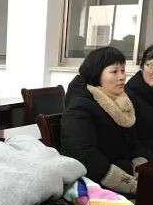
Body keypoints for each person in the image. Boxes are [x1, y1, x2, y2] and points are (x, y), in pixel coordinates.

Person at [61, 46, 147, 195]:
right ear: (97, 74)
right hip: (97, 183)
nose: (122, 77)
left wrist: (143, 171)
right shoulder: (79, 107)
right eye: (114, 71)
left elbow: (134, 145)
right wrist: (129, 183)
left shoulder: (120, 101)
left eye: (123, 70)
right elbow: (84, 154)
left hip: (125, 173)